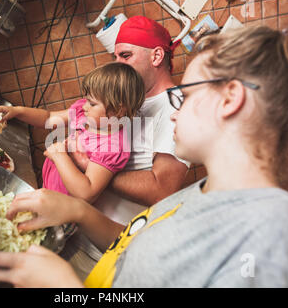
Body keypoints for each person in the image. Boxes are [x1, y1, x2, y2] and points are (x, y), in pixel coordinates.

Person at [0, 6, 288, 287]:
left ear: (229, 99)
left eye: (186, 98)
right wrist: (78, 213)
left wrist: (62, 285)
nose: (173, 114)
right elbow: (136, 251)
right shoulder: (204, 193)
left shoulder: (273, 237)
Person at [58, 16, 190, 280]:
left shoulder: (174, 108)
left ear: (156, 56)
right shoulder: (128, 100)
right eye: (115, 57)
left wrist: (87, 166)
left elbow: (162, 191)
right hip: (78, 232)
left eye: (125, 56)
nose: (118, 64)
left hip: (109, 253)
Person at [0, 62, 145, 205]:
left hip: (65, 209)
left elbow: (87, 192)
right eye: (86, 100)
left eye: (92, 103)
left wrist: (60, 156)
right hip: (50, 191)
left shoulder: (111, 146)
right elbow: (48, 118)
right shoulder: (84, 114)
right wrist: (17, 111)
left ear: (118, 110)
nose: (84, 106)